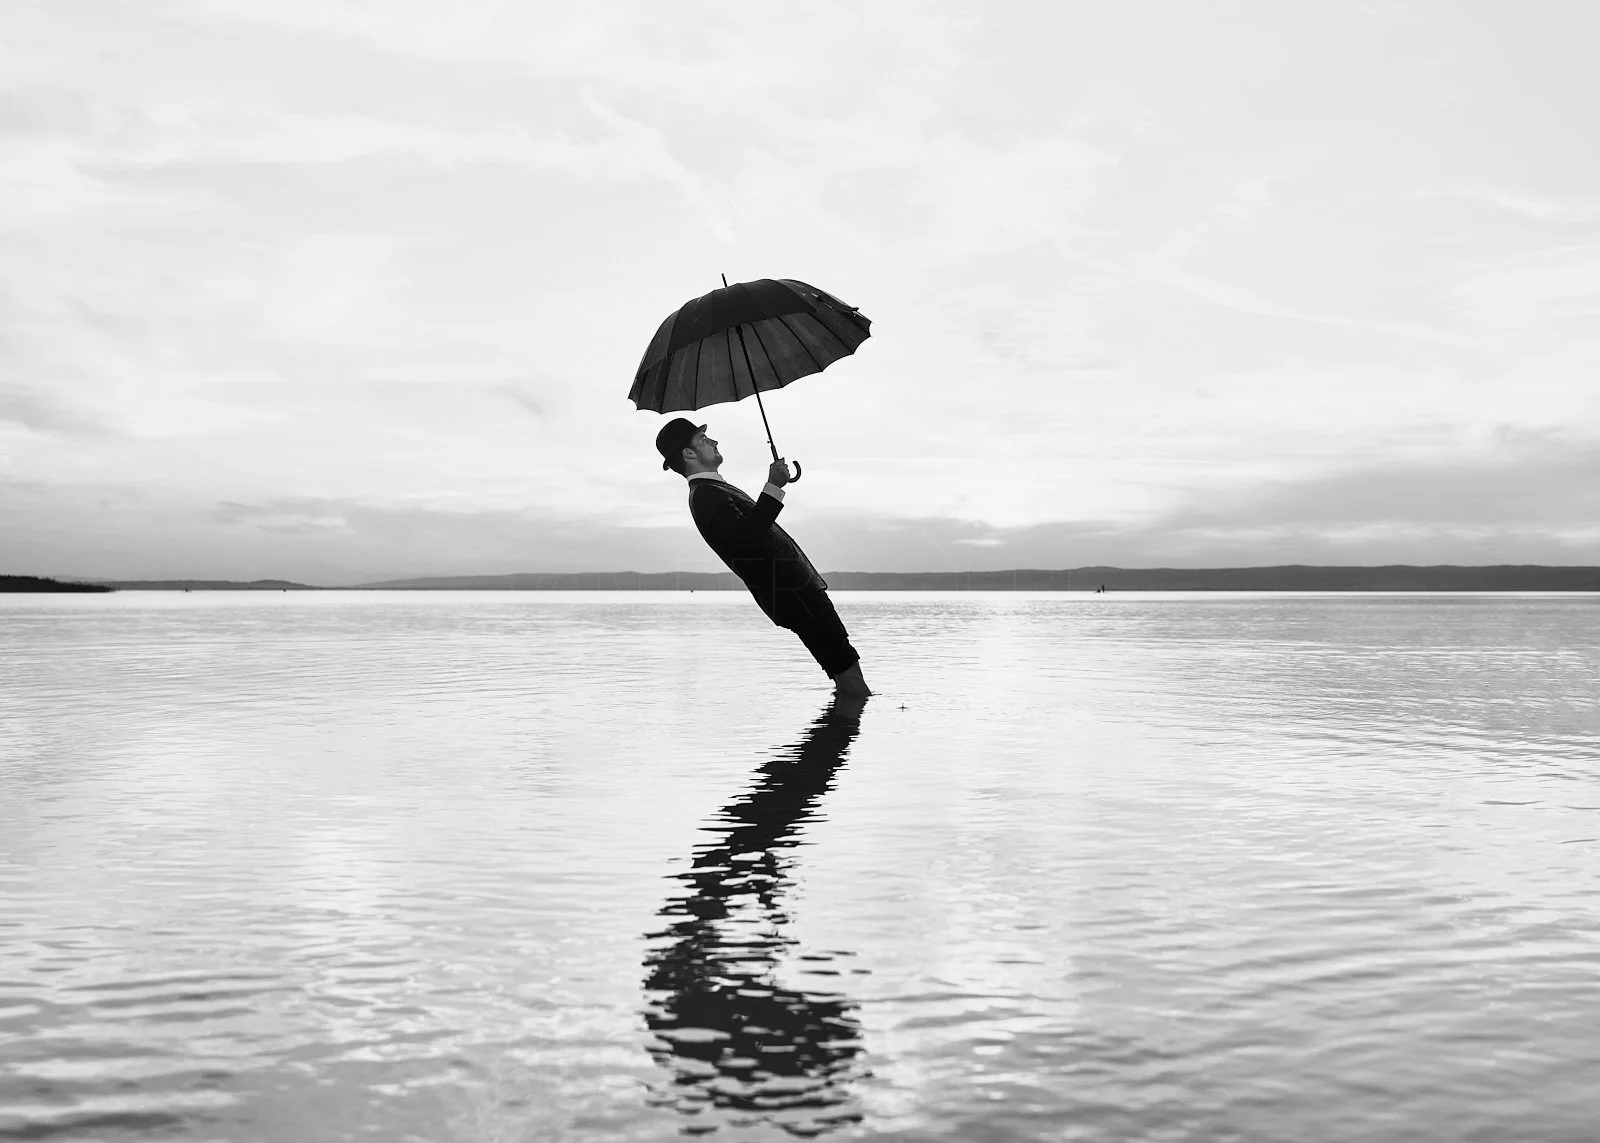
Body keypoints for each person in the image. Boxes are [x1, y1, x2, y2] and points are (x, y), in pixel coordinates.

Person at [655, 417, 870, 697]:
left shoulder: (713, 489)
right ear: (689, 453)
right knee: (846, 670)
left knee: (843, 668)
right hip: (791, 594)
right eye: (704, 440)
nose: (714, 441)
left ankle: (835, 733)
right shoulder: (705, 495)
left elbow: (751, 530)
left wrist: (774, 487)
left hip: (795, 591)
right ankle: (843, 731)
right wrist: (773, 486)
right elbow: (746, 538)